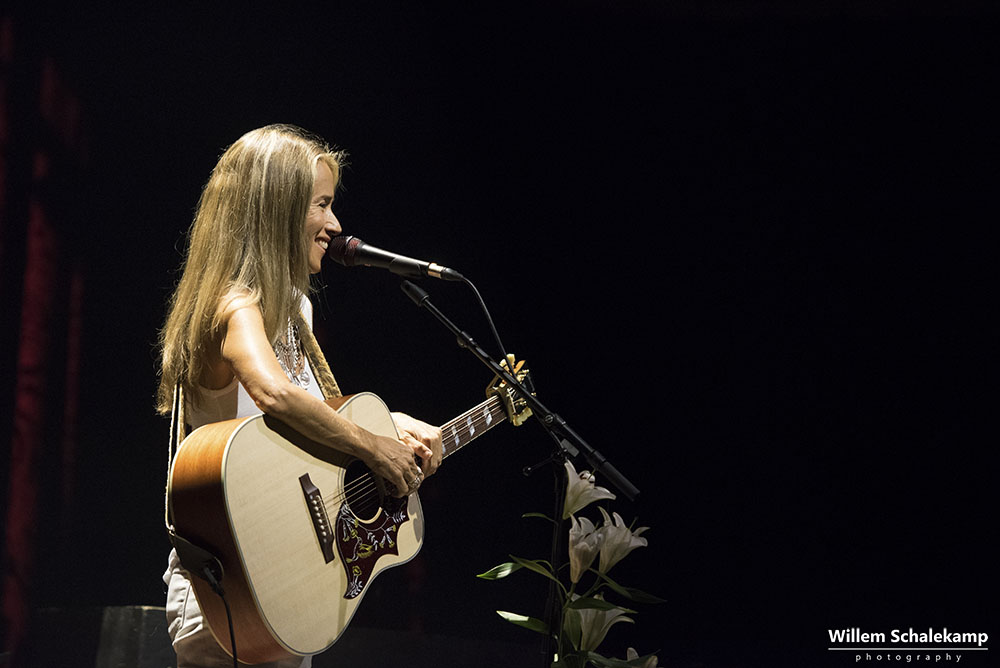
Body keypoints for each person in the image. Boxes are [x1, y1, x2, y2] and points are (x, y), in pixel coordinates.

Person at [156, 124, 443, 668]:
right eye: (322, 205)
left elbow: (302, 427)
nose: (336, 225)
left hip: (289, 581)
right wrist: (373, 446)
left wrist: (391, 428)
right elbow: (275, 394)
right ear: (277, 210)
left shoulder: (294, 311)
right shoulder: (232, 305)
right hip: (232, 584)